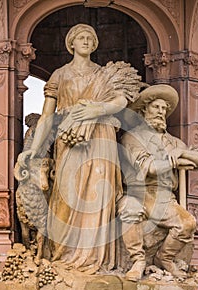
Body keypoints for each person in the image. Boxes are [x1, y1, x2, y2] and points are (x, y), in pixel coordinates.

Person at [17, 23, 143, 274]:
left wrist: (98, 109)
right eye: (80, 38)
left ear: (94, 45)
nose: (86, 41)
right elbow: (46, 117)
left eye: (90, 38)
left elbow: (120, 100)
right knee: (68, 197)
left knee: (100, 197)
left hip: (101, 139)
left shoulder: (104, 75)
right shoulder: (60, 75)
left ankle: (98, 262)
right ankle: (65, 259)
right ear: (71, 44)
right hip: (70, 142)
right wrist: (34, 149)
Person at [118, 84, 198, 281]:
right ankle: (138, 260)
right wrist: (174, 159)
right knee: (130, 210)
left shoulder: (173, 141)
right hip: (139, 193)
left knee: (188, 223)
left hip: (165, 197)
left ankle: (164, 258)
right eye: (156, 107)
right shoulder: (132, 137)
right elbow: (149, 168)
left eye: (164, 109)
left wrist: (180, 152)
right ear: (144, 110)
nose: (161, 112)